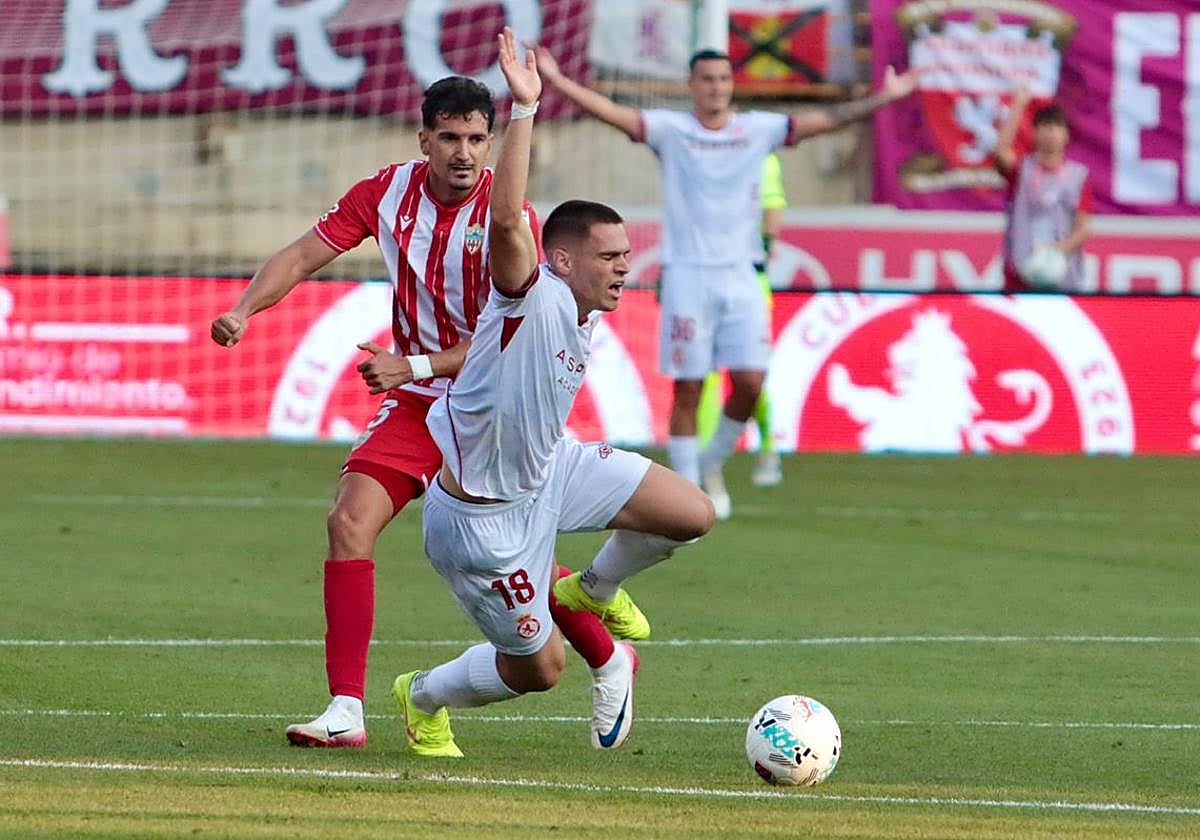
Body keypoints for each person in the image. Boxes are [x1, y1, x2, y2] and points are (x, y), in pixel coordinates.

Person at [210, 74, 624, 750]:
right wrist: (243, 310)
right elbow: (305, 253)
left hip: (491, 410)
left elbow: (503, 344)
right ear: (424, 138)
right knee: (348, 519)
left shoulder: (507, 218)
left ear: (492, 144)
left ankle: (605, 655)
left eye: (478, 140)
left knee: (512, 561)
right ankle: (345, 710)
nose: (465, 153)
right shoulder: (387, 193)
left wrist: (418, 364)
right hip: (416, 402)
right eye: (451, 138)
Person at [392, 29, 713, 757]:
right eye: (609, 257)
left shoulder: (582, 310)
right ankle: (422, 695)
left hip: (549, 473)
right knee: (538, 670)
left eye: (627, 256)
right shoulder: (530, 297)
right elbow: (507, 219)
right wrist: (524, 109)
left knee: (690, 513)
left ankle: (589, 590)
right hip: (481, 523)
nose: (624, 269)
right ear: (560, 259)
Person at [535, 45, 918, 518]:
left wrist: (884, 97)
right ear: (692, 85)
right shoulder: (672, 131)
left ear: (731, 85)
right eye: (707, 79)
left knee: (751, 382)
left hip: (741, 274)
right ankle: (689, 491)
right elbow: (613, 114)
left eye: (723, 79)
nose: (716, 87)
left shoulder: (757, 130)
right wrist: (556, 80)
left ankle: (710, 466)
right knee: (690, 387)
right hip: (688, 276)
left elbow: (826, 119)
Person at [696, 152, 786, 488]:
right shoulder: (698, 156)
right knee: (704, 373)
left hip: (748, 285)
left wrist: (757, 254)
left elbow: (772, 213)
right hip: (703, 282)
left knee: (749, 375)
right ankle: (708, 467)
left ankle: (768, 447)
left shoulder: (761, 157)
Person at [994, 91, 1092, 292]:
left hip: (1062, 277)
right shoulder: (1021, 171)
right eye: (1045, 128)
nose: (1051, 134)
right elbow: (1001, 152)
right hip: (1020, 276)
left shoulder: (1078, 176)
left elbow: (1083, 229)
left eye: (1057, 128)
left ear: (1066, 135)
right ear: (1035, 132)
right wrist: (1018, 106)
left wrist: (1054, 253)